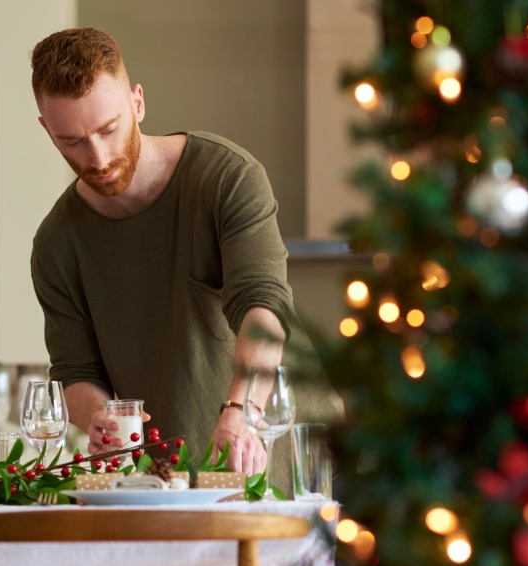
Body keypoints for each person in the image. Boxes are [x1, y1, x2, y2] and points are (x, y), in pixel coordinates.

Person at [29, 27, 340, 483]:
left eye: (109, 129)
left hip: (292, 455)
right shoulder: (57, 242)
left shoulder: (226, 178)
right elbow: (75, 370)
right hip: (173, 482)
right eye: (71, 141)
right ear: (47, 131)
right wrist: (97, 416)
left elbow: (263, 305)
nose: (97, 157)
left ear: (137, 103)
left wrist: (242, 410)